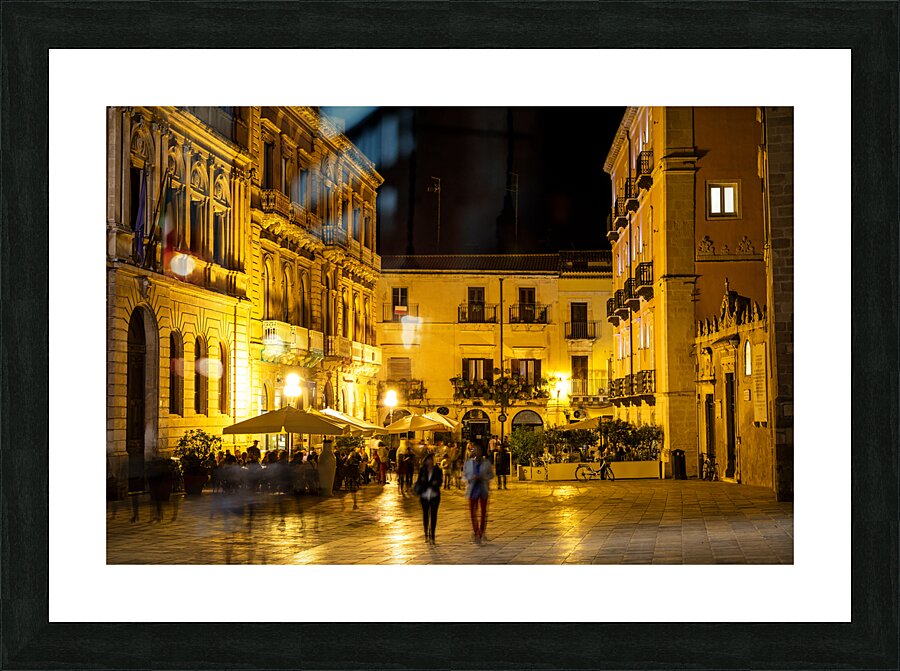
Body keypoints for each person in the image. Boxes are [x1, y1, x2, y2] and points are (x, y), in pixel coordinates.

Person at [463, 444, 494, 543]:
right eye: (475, 450)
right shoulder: (468, 463)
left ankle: (482, 531)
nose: (477, 452)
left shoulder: (486, 463)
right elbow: (464, 476)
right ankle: (476, 531)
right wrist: (471, 478)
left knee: (483, 512)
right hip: (472, 490)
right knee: (473, 512)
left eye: (478, 450)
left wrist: (483, 477)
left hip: (483, 488)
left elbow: (491, 475)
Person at [414, 452, 443, 543]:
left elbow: (440, 482)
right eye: (429, 459)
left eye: (431, 459)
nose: (430, 461)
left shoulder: (437, 470)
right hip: (424, 495)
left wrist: (434, 483)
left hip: (434, 495)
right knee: (425, 514)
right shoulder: (423, 470)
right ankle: (426, 532)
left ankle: (432, 535)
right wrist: (429, 483)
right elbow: (420, 481)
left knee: (434, 515)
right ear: (425, 461)